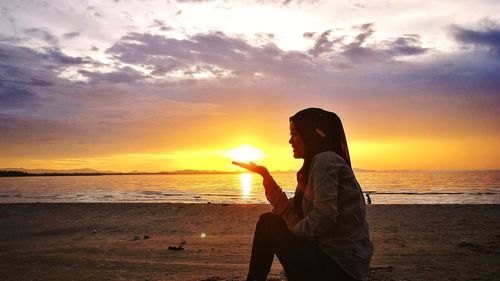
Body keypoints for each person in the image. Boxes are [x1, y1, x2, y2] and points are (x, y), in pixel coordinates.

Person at [233, 108, 373, 281]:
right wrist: (265, 175)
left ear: (310, 134)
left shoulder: (325, 161)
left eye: (295, 134)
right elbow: (288, 209)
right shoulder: (317, 165)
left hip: (339, 267)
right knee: (269, 221)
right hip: (336, 262)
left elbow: (325, 216)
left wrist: (295, 228)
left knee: (268, 223)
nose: (290, 140)